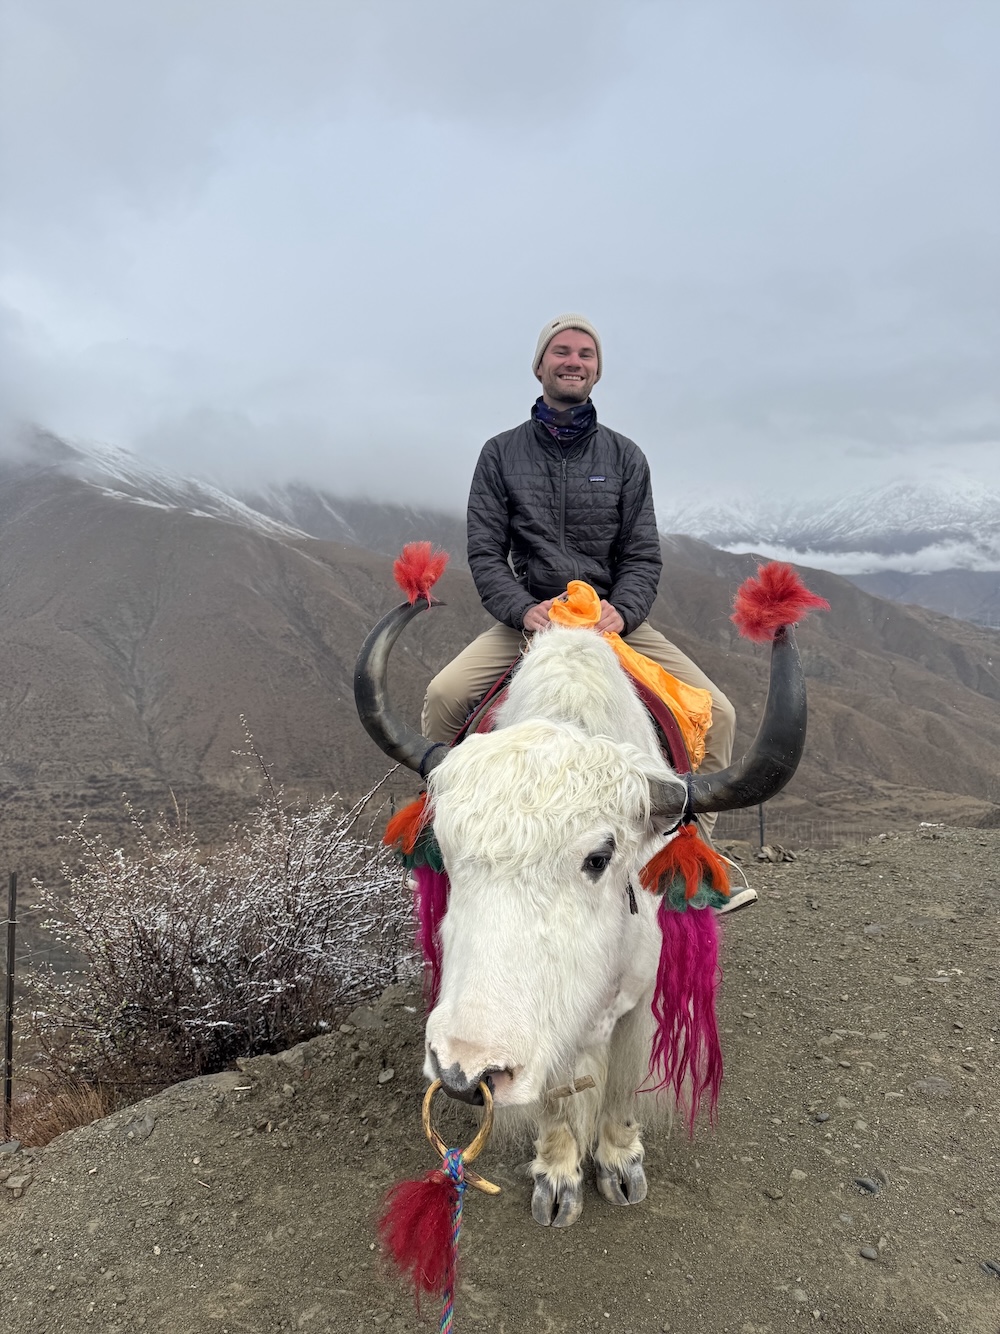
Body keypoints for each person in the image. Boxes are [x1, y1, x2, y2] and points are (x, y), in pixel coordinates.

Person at [421, 314, 755, 911]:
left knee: (721, 715)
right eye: (561, 352)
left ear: (597, 371)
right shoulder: (499, 454)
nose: (573, 361)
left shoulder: (626, 457)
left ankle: (691, 850)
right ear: (540, 365)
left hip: (613, 618)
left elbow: (642, 554)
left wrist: (622, 613)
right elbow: (484, 553)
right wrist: (524, 611)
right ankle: (445, 835)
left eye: (585, 354)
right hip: (532, 617)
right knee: (445, 697)